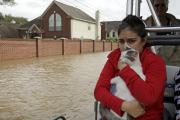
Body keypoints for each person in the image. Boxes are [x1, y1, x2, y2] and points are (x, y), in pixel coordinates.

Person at [94, 15, 166, 120]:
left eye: (131, 41)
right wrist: (124, 106)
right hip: (113, 115)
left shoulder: (155, 63)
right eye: (121, 41)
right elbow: (99, 91)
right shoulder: (114, 58)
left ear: (144, 40)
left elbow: (148, 98)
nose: (125, 47)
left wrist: (124, 70)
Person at [145, 0, 180, 65]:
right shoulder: (145, 26)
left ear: (167, 8)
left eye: (162, 5)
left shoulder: (178, 25)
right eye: (157, 5)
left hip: (175, 66)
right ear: (152, 7)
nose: (160, 8)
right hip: (152, 64)